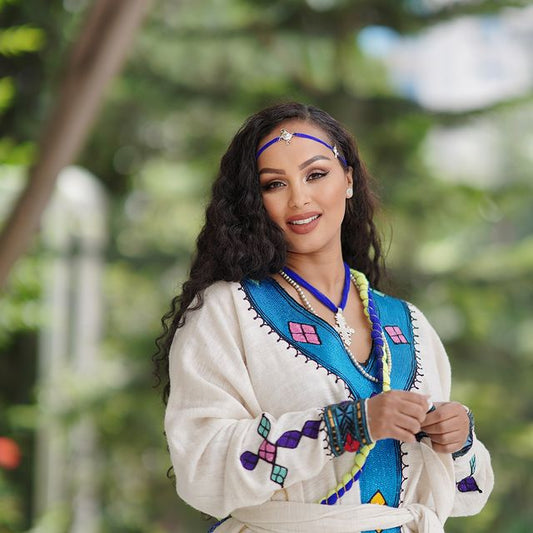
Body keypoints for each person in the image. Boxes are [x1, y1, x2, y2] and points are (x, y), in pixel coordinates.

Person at [154, 102, 493, 532]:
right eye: (275, 184)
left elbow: (466, 495)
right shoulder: (227, 312)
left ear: (348, 179)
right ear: (255, 201)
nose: (299, 199)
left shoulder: (408, 324)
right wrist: (350, 425)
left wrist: (460, 440)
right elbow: (202, 467)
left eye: (315, 174)